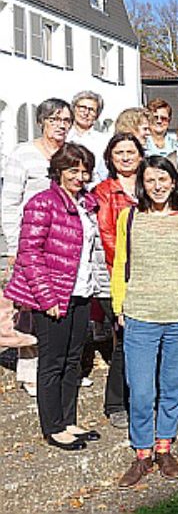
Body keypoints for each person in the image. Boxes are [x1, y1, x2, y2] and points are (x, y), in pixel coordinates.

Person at [111, 156, 178, 488]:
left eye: (163, 179)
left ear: (174, 181)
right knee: (140, 390)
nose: (157, 186)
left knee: (172, 387)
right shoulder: (130, 216)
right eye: (151, 180)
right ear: (142, 183)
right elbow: (120, 262)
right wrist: (118, 305)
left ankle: (164, 446)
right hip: (140, 313)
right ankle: (142, 453)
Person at [4, 143, 102, 451]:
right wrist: (47, 298)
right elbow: (29, 253)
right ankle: (53, 426)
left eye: (84, 171)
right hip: (54, 295)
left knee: (74, 359)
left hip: (82, 291)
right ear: (58, 171)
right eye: (73, 170)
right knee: (52, 361)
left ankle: (69, 419)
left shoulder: (87, 203)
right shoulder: (42, 202)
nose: (79, 176)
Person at [2, 98, 73, 397]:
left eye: (66, 120)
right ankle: (30, 371)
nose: (61, 125)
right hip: (32, 243)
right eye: (55, 119)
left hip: (64, 243)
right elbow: (9, 202)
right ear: (42, 121)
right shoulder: (24, 154)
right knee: (30, 308)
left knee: (61, 305)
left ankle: (60, 368)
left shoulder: (71, 155)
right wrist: (13, 245)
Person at [93, 133, 145, 429]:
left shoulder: (150, 185)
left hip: (152, 274)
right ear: (110, 159)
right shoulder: (104, 191)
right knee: (126, 339)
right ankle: (115, 403)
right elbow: (108, 236)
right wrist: (131, 266)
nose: (125, 157)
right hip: (117, 274)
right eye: (119, 153)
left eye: (130, 151)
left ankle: (142, 397)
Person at [68, 91, 109, 184]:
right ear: (74, 109)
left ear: (97, 115)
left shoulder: (104, 141)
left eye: (91, 110)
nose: (86, 113)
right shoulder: (63, 136)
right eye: (82, 108)